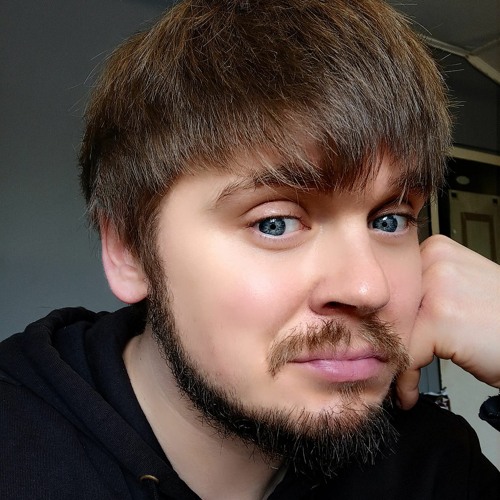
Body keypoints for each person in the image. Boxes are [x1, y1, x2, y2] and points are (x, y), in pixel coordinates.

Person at [1, 0, 499, 498]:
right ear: (129, 250)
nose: (368, 288)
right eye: (275, 223)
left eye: (389, 220)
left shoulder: (433, 461)